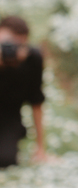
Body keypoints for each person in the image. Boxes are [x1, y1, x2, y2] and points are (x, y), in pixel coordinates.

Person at [0, 16, 46, 168]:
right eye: (7, 43)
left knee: (5, 160)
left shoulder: (32, 59)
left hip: (9, 119)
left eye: (16, 44)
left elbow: (36, 101)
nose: (10, 48)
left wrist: (40, 148)